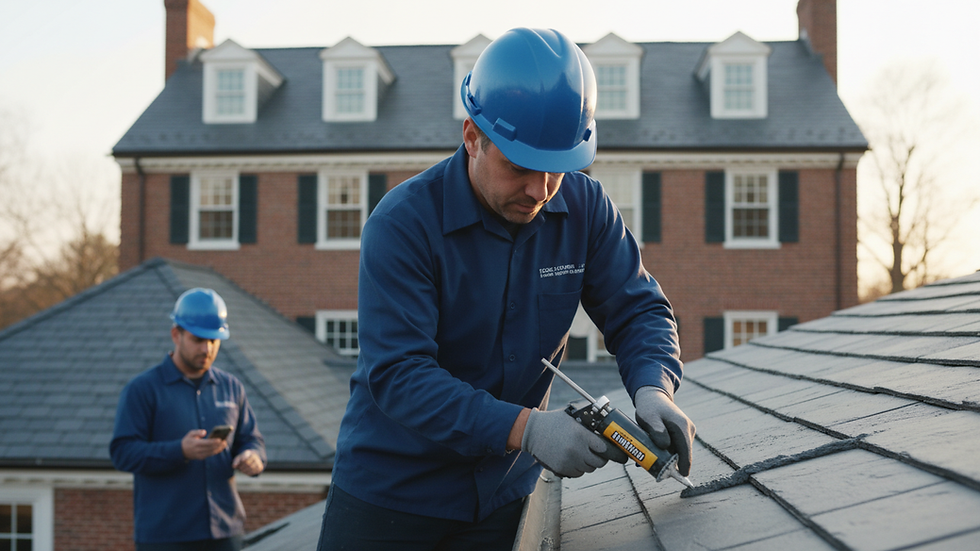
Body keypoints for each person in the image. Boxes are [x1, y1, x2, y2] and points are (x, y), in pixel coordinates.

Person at [316, 27, 696, 551]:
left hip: (503, 500)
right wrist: (529, 429)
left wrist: (655, 387)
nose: (539, 191)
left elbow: (639, 310)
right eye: (520, 167)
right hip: (389, 502)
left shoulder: (585, 209)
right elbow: (400, 375)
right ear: (473, 136)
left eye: (557, 170)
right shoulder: (402, 224)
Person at [111, 288, 266, 551]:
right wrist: (180, 450)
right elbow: (123, 453)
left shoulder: (232, 387)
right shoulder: (143, 389)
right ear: (176, 334)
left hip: (225, 534)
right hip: (165, 538)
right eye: (198, 339)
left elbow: (251, 439)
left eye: (214, 341)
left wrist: (252, 456)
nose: (207, 349)